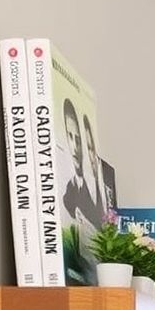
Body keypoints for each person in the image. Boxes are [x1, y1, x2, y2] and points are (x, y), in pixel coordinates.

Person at [61, 97, 101, 228]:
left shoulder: (94, 187)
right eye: (70, 137)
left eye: (78, 140)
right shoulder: (68, 191)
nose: (74, 148)